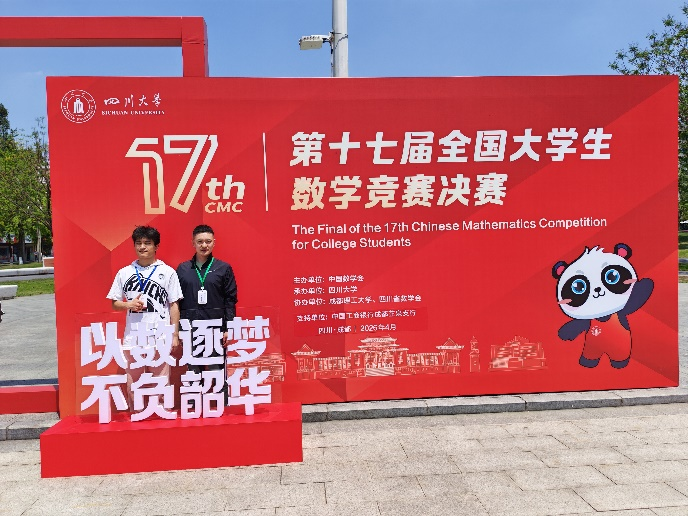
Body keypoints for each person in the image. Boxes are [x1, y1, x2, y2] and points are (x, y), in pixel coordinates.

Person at [106, 225, 182, 406]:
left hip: (160, 336)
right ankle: (136, 416)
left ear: (156, 246)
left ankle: (163, 416)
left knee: (161, 382)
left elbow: (174, 304)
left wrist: (175, 334)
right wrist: (129, 304)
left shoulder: (168, 272)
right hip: (134, 337)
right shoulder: (124, 272)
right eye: (138, 243)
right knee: (134, 384)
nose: (142, 247)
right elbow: (114, 303)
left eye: (147, 243)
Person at [176, 224, 238, 404]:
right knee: (193, 370)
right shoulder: (183, 269)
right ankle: (194, 406)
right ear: (193, 243)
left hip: (215, 328)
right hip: (190, 328)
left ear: (214, 243)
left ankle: (221, 406)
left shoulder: (223, 268)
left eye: (208, 241)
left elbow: (230, 299)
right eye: (200, 241)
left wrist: (228, 327)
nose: (204, 245)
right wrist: (178, 329)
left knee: (216, 369)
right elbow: (176, 301)